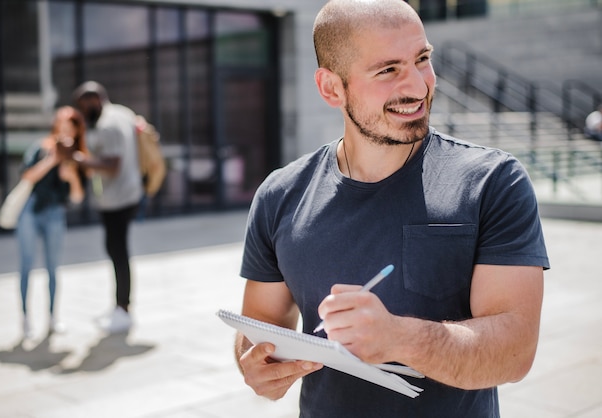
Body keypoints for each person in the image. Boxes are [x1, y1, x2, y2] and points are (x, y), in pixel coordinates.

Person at [233, 1, 550, 416]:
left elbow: (514, 352)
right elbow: (258, 324)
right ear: (332, 88)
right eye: (388, 70)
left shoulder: (493, 182)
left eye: (422, 60)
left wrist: (399, 337)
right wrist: (258, 366)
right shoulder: (279, 195)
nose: (418, 87)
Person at [71, 81, 143, 333]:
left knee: (117, 251)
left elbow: (112, 165)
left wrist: (80, 160)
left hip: (118, 198)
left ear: (95, 101)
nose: (82, 111)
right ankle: (121, 305)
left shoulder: (108, 124)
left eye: (84, 106)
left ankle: (123, 308)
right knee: (116, 250)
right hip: (127, 193)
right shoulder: (123, 112)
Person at [17, 106, 87, 339]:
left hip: (55, 213)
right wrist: (52, 160)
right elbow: (27, 176)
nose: (66, 131)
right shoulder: (41, 147)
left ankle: (52, 317)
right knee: (26, 265)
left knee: (53, 268)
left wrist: (72, 175)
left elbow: (77, 197)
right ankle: (26, 317)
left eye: (71, 127)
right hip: (31, 210)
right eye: (62, 125)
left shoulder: (77, 156)